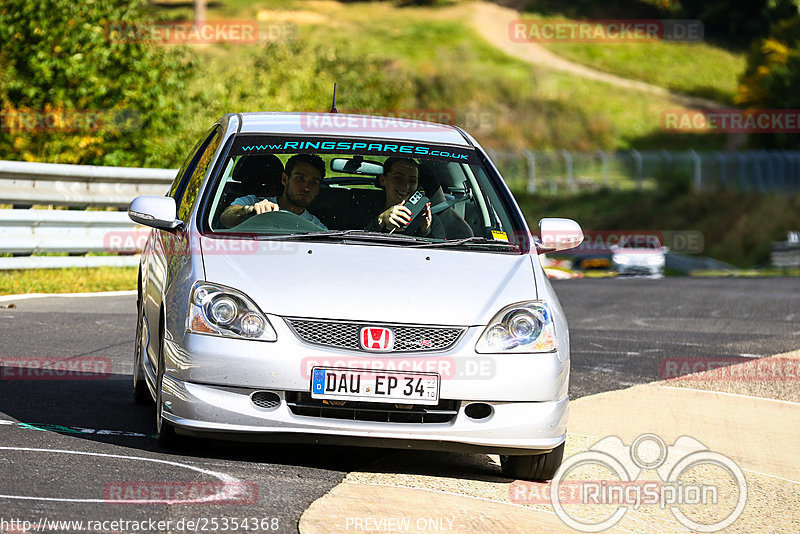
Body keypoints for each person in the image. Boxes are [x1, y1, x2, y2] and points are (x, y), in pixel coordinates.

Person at [220, 153, 327, 229]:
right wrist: (250, 211)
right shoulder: (254, 201)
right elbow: (226, 218)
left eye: (313, 182)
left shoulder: (316, 228)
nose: (306, 187)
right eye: (300, 178)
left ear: (318, 189)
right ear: (285, 179)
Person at [366, 157, 444, 238]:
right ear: (382, 180)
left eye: (412, 181)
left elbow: (441, 248)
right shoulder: (363, 210)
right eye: (398, 178)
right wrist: (381, 220)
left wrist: (426, 232)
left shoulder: (430, 221)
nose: (405, 187)